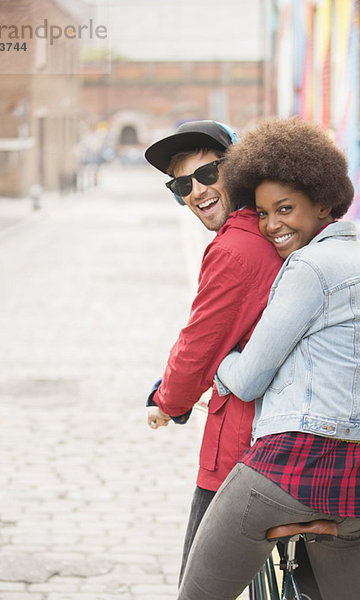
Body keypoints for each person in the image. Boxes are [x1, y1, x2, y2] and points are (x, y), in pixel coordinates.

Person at [177, 117, 360, 600]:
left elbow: (249, 377)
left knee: (196, 594)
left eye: (284, 209)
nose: (272, 225)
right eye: (262, 213)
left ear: (324, 203)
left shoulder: (308, 266)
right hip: (355, 483)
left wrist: (222, 359)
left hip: (290, 468)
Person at [144, 120, 286, 583]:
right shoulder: (273, 230)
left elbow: (199, 346)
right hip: (286, 432)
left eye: (207, 174)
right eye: (181, 184)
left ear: (237, 169)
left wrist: (168, 402)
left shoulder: (234, 249)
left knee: (197, 584)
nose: (196, 191)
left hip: (243, 448)